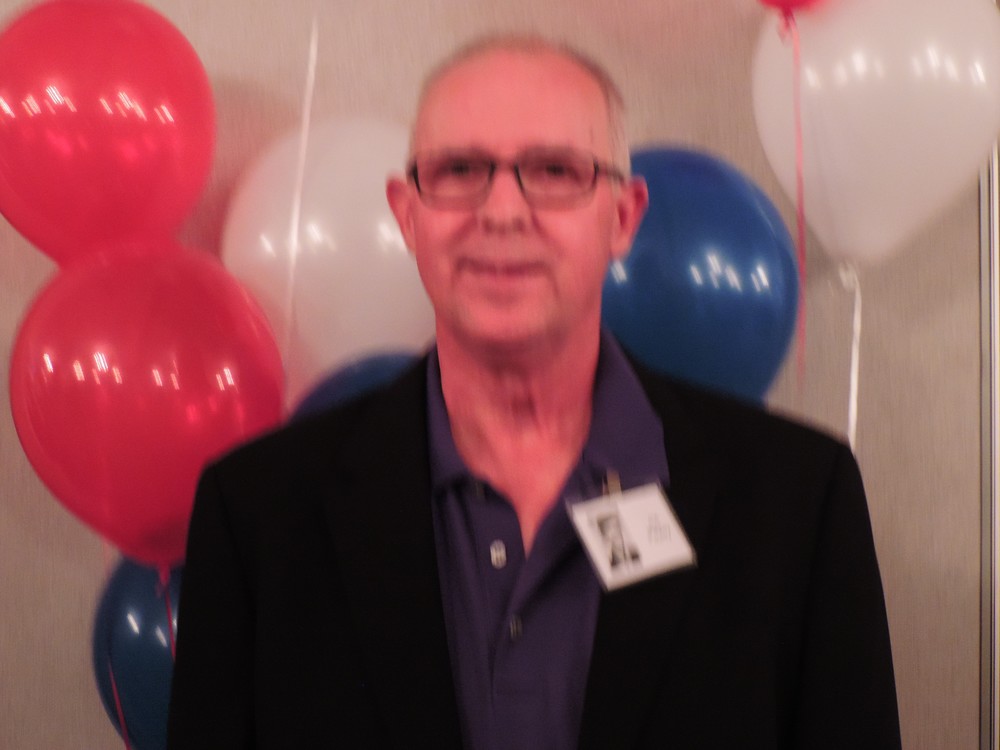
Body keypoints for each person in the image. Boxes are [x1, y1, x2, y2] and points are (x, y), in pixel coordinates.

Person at [167, 35, 901, 750]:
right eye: (460, 169)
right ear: (408, 214)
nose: (503, 212)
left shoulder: (797, 503)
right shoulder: (259, 514)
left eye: (554, 170)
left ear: (622, 218)